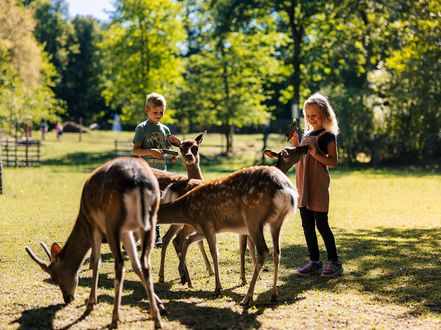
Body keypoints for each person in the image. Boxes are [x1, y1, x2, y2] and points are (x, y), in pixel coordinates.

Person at [291, 93, 343, 277]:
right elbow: (300, 157)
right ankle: (314, 261)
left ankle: (334, 261)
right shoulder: (307, 135)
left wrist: (315, 154)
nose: (311, 119)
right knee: (307, 225)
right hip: (302, 186)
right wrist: (296, 144)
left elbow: (333, 162)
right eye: (308, 115)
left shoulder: (327, 136)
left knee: (322, 224)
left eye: (315, 115)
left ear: (325, 114)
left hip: (318, 186)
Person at [133, 92, 172, 248]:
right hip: (145, 173)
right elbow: (136, 150)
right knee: (146, 205)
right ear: (146, 110)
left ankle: (154, 235)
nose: (158, 115)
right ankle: (141, 234)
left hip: (162, 173)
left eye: (161, 112)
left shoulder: (165, 129)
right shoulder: (142, 128)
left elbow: (167, 149)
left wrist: (171, 156)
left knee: (157, 205)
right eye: (155, 112)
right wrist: (150, 152)